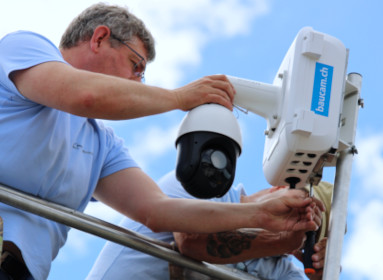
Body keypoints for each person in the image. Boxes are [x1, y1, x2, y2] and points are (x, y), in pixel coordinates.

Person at [0, 3, 324, 280]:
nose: (136, 81)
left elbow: (159, 211)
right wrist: (180, 98)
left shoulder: (101, 145)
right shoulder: (24, 48)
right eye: (135, 65)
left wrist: (262, 217)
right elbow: (85, 95)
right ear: (99, 38)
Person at [87, 170, 332, 280]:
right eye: (300, 211)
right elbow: (191, 241)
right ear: (279, 189)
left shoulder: (278, 268)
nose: (297, 226)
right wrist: (278, 240)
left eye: (308, 232)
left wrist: (323, 275)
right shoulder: (205, 182)